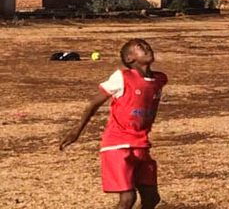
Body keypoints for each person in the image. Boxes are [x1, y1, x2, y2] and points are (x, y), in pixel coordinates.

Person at [59, 39, 167, 209]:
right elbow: (93, 104)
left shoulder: (159, 79)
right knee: (128, 198)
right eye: (140, 47)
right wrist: (77, 131)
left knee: (152, 198)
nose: (147, 48)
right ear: (130, 58)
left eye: (147, 45)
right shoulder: (122, 77)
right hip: (117, 144)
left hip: (141, 144)